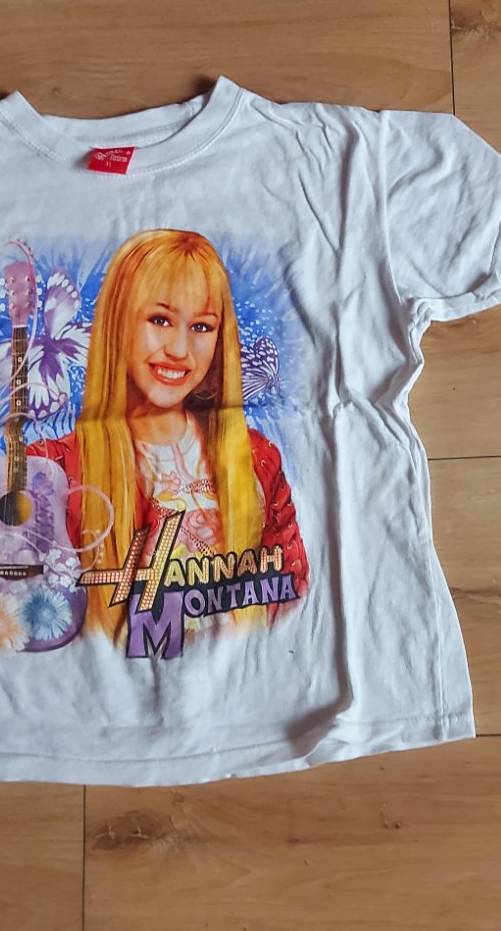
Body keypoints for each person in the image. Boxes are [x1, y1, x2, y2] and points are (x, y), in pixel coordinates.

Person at [31, 228, 307, 644]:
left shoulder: (257, 457)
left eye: (202, 326)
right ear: (117, 323)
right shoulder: (53, 469)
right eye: (160, 320)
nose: (179, 349)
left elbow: (293, 598)